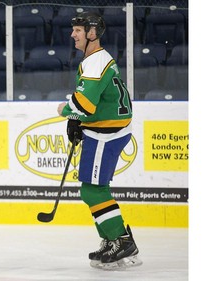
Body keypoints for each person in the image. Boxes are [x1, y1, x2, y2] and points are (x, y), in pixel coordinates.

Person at [57, 12, 142, 270]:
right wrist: (79, 121)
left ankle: (121, 240)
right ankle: (110, 239)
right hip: (104, 129)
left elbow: (83, 103)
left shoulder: (95, 62)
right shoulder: (96, 58)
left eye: (78, 30)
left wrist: (64, 110)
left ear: (92, 33)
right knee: (94, 189)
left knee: (93, 190)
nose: (73, 34)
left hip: (106, 133)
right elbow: (93, 103)